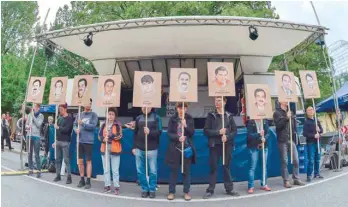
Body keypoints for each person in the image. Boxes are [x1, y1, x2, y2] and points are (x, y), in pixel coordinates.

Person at [203, 97, 239, 199]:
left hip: (227, 145)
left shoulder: (229, 116)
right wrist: (218, 132)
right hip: (214, 145)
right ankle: (210, 189)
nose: (217, 102)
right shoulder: (211, 116)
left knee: (226, 167)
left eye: (219, 100)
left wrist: (227, 136)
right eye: (216, 100)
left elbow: (234, 131)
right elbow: (206, 131)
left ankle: (229, 189)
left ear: (224, 102)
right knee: (213, 167)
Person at [165, 102, 195, 201]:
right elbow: (169, 133)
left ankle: (186, 192)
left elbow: (192, 133)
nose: (181, 110)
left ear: (186, 109)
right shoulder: (173, 119)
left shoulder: (189, 118)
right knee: (173, 171)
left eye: (183, 108)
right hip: (175, 148)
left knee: (187, 172)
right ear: (177, 109)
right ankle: (171, 192)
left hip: (186, 148)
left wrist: (185, 125)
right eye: (179, 108)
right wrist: (178, 138)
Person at [132, 107, 162, 198]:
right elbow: (135, 133)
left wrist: (150, 132)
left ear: (151, 107)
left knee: (152, 170)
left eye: (147, 106)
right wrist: (134, 147)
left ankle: (152, 189)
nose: (145, 108)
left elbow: (159, 132)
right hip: (139, 148)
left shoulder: (157, 117)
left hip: (152, 148)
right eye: (143, 106)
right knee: (140, 171)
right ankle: (145, 189)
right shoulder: (138, 118)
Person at [273, 102, 305, 188]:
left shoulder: (291, 112)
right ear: (280, 102)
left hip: (291, 139)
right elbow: (278, 125)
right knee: (284, 161)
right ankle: (286, 180)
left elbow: (294, 127)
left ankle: (296, 178)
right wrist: (286, 117)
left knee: (296, 160)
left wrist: (295, 137)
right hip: (282, 140)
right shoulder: (277, 113)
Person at [74, 98, 98, 189]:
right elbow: (75, 124)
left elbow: (93, 126)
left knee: (88, 161)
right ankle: (82, 179)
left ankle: (88, 180)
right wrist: (75, 129)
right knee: (80, 161)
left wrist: (83, 124)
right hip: (79, 141)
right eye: (87, 102)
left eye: (90, 103)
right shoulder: (79, 114)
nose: (89, 104)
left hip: (88, 141)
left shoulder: (93, 115)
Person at [98, 108, 122, 195]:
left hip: (114, 148)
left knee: (115, 170)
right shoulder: (103, 124)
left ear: (115, 116)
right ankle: (107, 185)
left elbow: (119, 136)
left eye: (112, 114)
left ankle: (116, 187)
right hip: (105, 148)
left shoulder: (118, 124)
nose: (110, 116)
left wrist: (110, 135)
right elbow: (99, 136)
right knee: (106, 169)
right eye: (109, 114)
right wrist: (103, 139)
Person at [246, 118, 271, 193]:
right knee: (252, 167)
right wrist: (259, 134)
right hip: (253, 147)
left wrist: (265, 138)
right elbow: (249, 136)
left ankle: (264, 184)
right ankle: (251, 186)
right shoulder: (250, 122)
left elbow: (268, 133)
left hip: (263, 146)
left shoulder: (264, 120)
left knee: (264, 166)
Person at [53, 103, 74, 184]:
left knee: (66, 159)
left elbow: (67, 130)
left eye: (61, 109)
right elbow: (57, 131)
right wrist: (55, 141)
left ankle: (69, 177)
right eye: (59, 109)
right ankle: (58, 175)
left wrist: (58, 127)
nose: (60, 111)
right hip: (58, 141)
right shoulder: (59, 118)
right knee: (57, 159)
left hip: (65, 141)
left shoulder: (69, 118)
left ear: (65, 109)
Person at [303, 106, 323, 182]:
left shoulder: (316, 120)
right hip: (311, 143)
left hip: (318, 142)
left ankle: (317, 173)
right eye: (309, 110)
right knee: (311, 160)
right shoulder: (306, 122)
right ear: (307, 112)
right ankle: (309, 175)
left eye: (312, 109)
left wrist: (319, 130)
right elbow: (305, 134)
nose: (311, 111)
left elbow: (321, 130)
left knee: (317, 159)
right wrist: (313, 135)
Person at [26, 103, 44, 178]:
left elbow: (38, 125)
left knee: (36, 154)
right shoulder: (30, 115)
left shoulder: (41, 116)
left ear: (38, 108)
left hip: (36, 136)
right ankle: (30, 169)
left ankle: (39, 170)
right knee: (29, 153)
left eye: (36, 107)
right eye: (34, 107)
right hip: (29, 135)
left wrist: (33, 117)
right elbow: (26, 124)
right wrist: (28, 126)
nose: (34, 108)